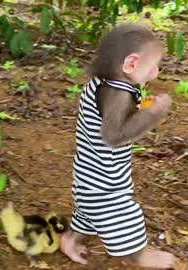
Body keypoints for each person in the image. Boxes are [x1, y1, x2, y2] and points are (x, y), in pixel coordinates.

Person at [60, 22, 175, 269]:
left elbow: (118, 120)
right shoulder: (115, 93)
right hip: (103, 178)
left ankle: (71, 238)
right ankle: (140, 256)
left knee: (88, 209)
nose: (155, 72)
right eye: (153, 66)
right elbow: (115, 135)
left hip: (90, 170)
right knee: (122, 213)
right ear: (131, 64)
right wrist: (154, 113)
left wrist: (141, 110)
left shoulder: (105, 83)